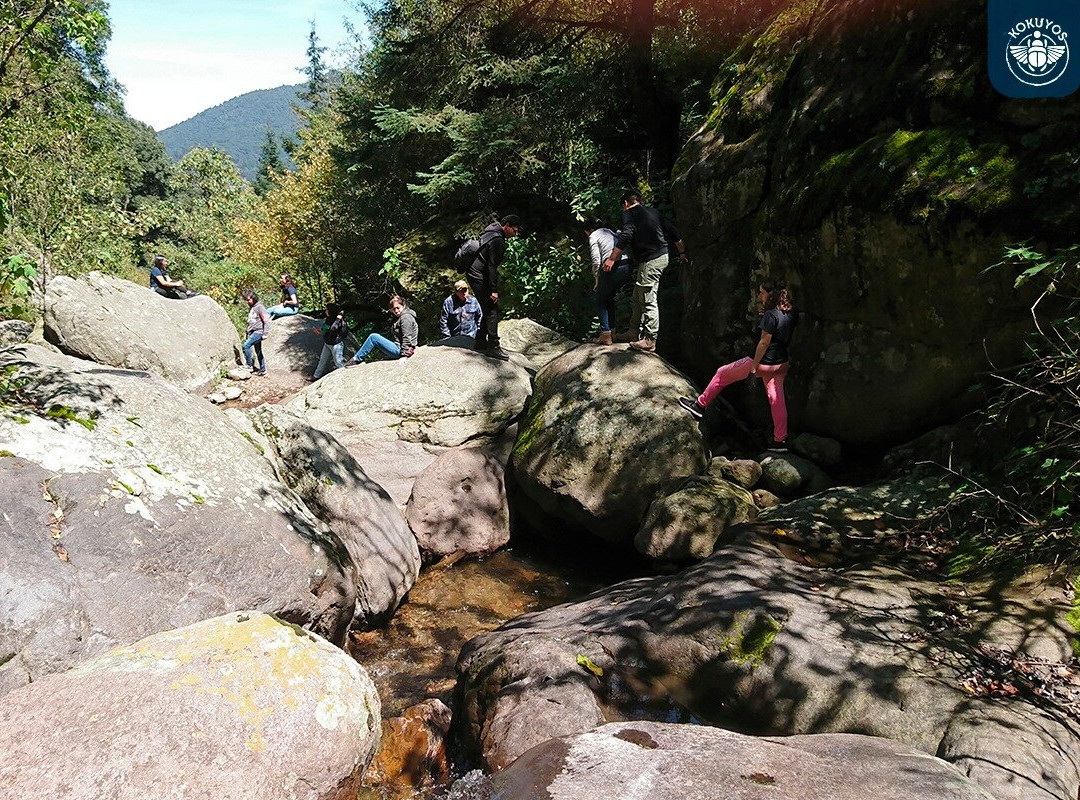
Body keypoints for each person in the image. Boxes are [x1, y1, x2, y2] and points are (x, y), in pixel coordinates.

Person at [678, 281, 797, 451]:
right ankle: (780, 440)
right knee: (776, 399)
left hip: (763, 362)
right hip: (781, 364)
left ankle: (699, 405)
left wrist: (754, 366)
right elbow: (781, 330)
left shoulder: (770, 316)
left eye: (762, 293)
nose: (759, 296)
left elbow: (764, 343)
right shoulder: (791, 312)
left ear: (770, 295)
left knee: (721, 374)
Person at [603, 191, 688, 352]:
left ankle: (650, 339)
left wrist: (612, 258)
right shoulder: (654, 212)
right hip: (659, 257)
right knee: (637, 295)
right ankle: (633, 332)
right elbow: (673, 231)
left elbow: (626, 235)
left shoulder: (630, 214)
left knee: (648, 298)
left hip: (651, 260)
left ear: (626, 204)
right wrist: (682, 252)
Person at [466, 214, 521, 360]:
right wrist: (493, 290)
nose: (515, 234)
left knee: (488, 307)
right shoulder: (497, 240)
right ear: (507, 226)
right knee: (492, 309)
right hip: (478, 274)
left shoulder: (491, 233)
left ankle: (479, 341)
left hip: (473, 272)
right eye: (514, 230)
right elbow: (491, 267)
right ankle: (493, 347)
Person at [584, 217, 631, 345]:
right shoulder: (612, 231)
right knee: (608, 298)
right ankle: (612, 332)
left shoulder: (594, 235)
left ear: (590, 230)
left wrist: (597, 279)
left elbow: (596, 260)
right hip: (626, 265)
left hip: (612, 267)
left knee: (600, 300)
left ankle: (606, 335)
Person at [347, 295, 418, 366]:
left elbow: (407, 337)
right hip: (401, 347)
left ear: (404, 305)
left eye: (398, 308)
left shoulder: (405, 318)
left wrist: (404, 356)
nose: (396, 311)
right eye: (394, 309)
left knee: (373, 337)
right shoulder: (403, 316)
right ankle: (357, 358)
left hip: (401, 350)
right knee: (376, 337)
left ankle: (356, 359)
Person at [311, 304, 349, 380]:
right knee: (322, 360)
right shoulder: (328, 318)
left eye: (326, 309)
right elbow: (326, 329)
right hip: (327, 343)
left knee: (338, 362)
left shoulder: (338, 321)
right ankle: (316, 376)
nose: (325, 311)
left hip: (336, 344)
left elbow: (333, 328)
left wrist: (339, 317)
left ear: (330, 310)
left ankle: (344, 378)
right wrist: (319, 331)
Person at [241, 290, 270, 376]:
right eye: (246, 300)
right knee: (258, 351)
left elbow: (266, 320)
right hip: (253, 331)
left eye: (248, 299)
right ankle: (263, 369)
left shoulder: (260, 307)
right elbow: (251, 321)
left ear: (253, 298)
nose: (247, 301)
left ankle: (249, 365)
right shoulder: (252, 307)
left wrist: (265, 333)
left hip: (259, 331)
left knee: (246, 345)